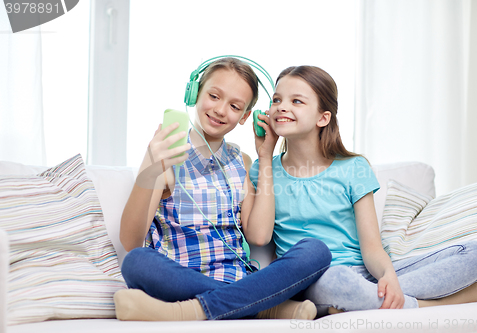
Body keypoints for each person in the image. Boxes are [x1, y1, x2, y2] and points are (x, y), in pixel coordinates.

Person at [248, 65, 477, 316]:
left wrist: (388, 277)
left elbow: (372, 247)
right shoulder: (263, 169)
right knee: (337, 281)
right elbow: (259, 237)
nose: (281, 106)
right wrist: (265, 156)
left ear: (323, 118)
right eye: (276, 99)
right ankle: (431, 304)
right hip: (317, 280)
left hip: (364, 274)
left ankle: (360, 301)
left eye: (296, 101)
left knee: (475, 253)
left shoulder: (354, 167)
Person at [114, 57, 332, 321]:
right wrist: (152, 167)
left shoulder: (242, 162)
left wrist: (265, 156)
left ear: (244, 116)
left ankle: (190, 311)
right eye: (214, 96)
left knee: (316, 251)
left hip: (238, 276)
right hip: (180, 279)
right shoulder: (165, 153)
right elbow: (130, 239)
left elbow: (259, 236)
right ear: (195, 94)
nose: (220, 110)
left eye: (234, 106)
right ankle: (265, 307)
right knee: (137, 262)